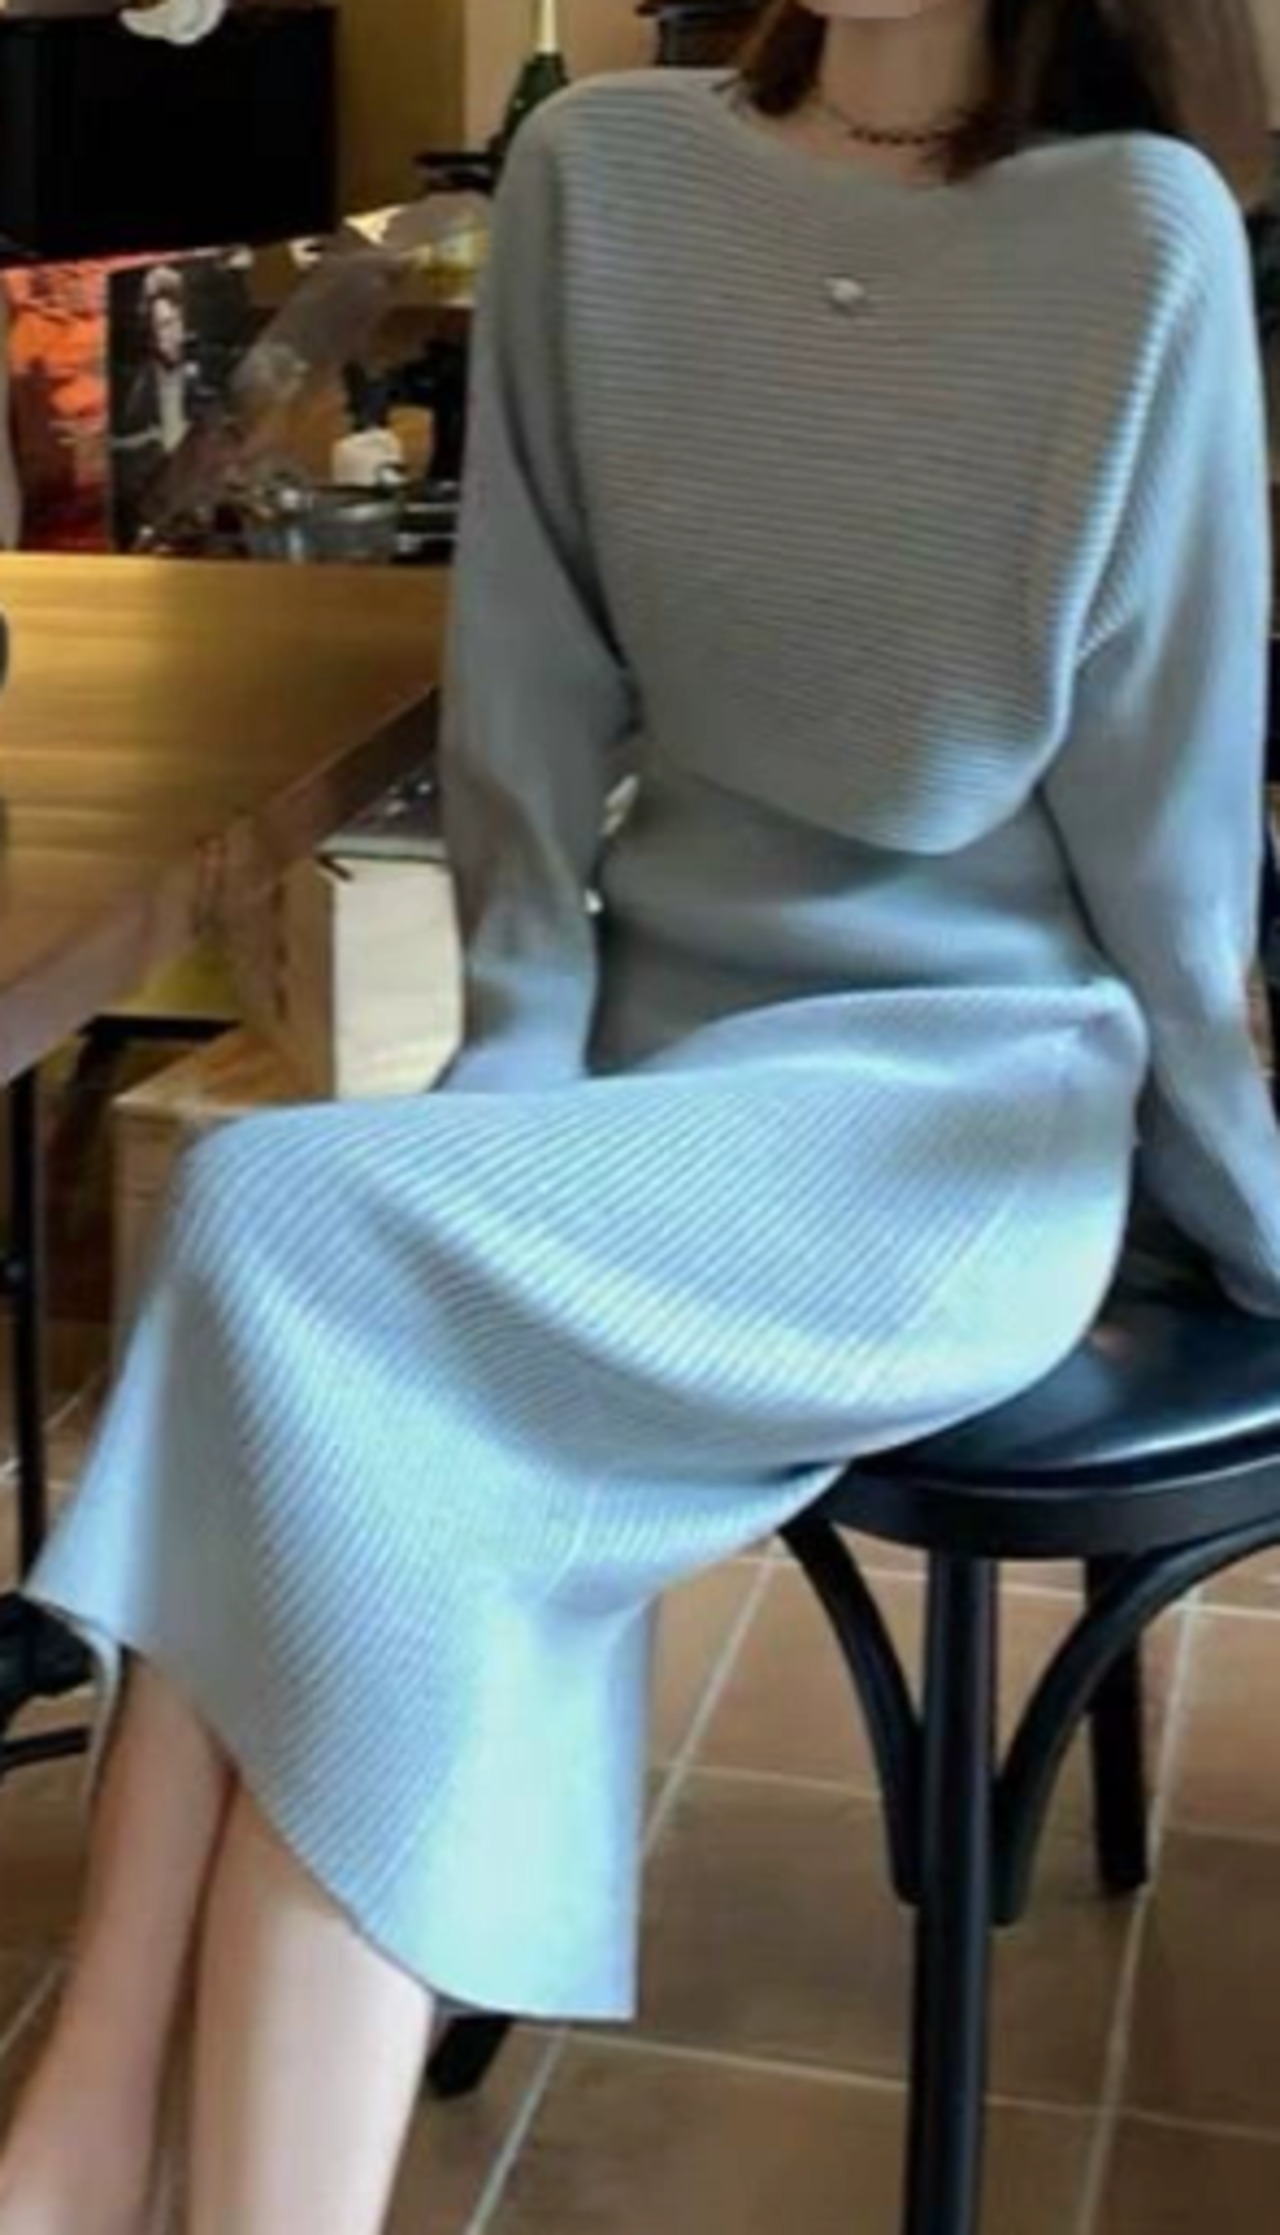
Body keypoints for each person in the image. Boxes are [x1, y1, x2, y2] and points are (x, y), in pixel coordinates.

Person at [4, 0, 1280, 2228]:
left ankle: (79, 2134)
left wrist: (1240, 1208)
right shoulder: (603, 176)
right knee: (353, 1410)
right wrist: (513, 1081)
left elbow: (1166, 850)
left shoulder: (1137, 233)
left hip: (953, 1120)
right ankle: (121, 2153)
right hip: (648, 1083)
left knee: (282, 1236)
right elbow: (525, 685)